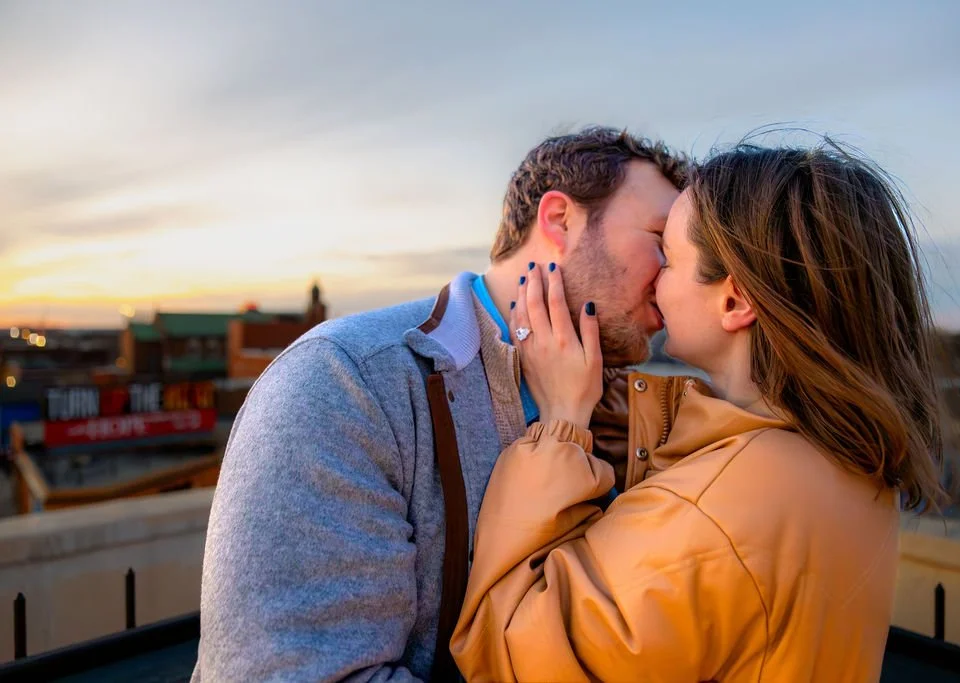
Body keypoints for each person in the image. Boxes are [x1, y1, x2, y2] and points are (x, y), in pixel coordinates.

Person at [191, 127, 688, 681]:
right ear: (559, 221)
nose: (672, 279)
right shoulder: (349, 381)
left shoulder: (632, 407)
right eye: (661, 241)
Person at [451, 141, 946, 682]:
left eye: (671, 254)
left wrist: (562, 421)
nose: (656, 277)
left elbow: (504, 653)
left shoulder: (714, 513)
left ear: (734, 302)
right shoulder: (843, 453)